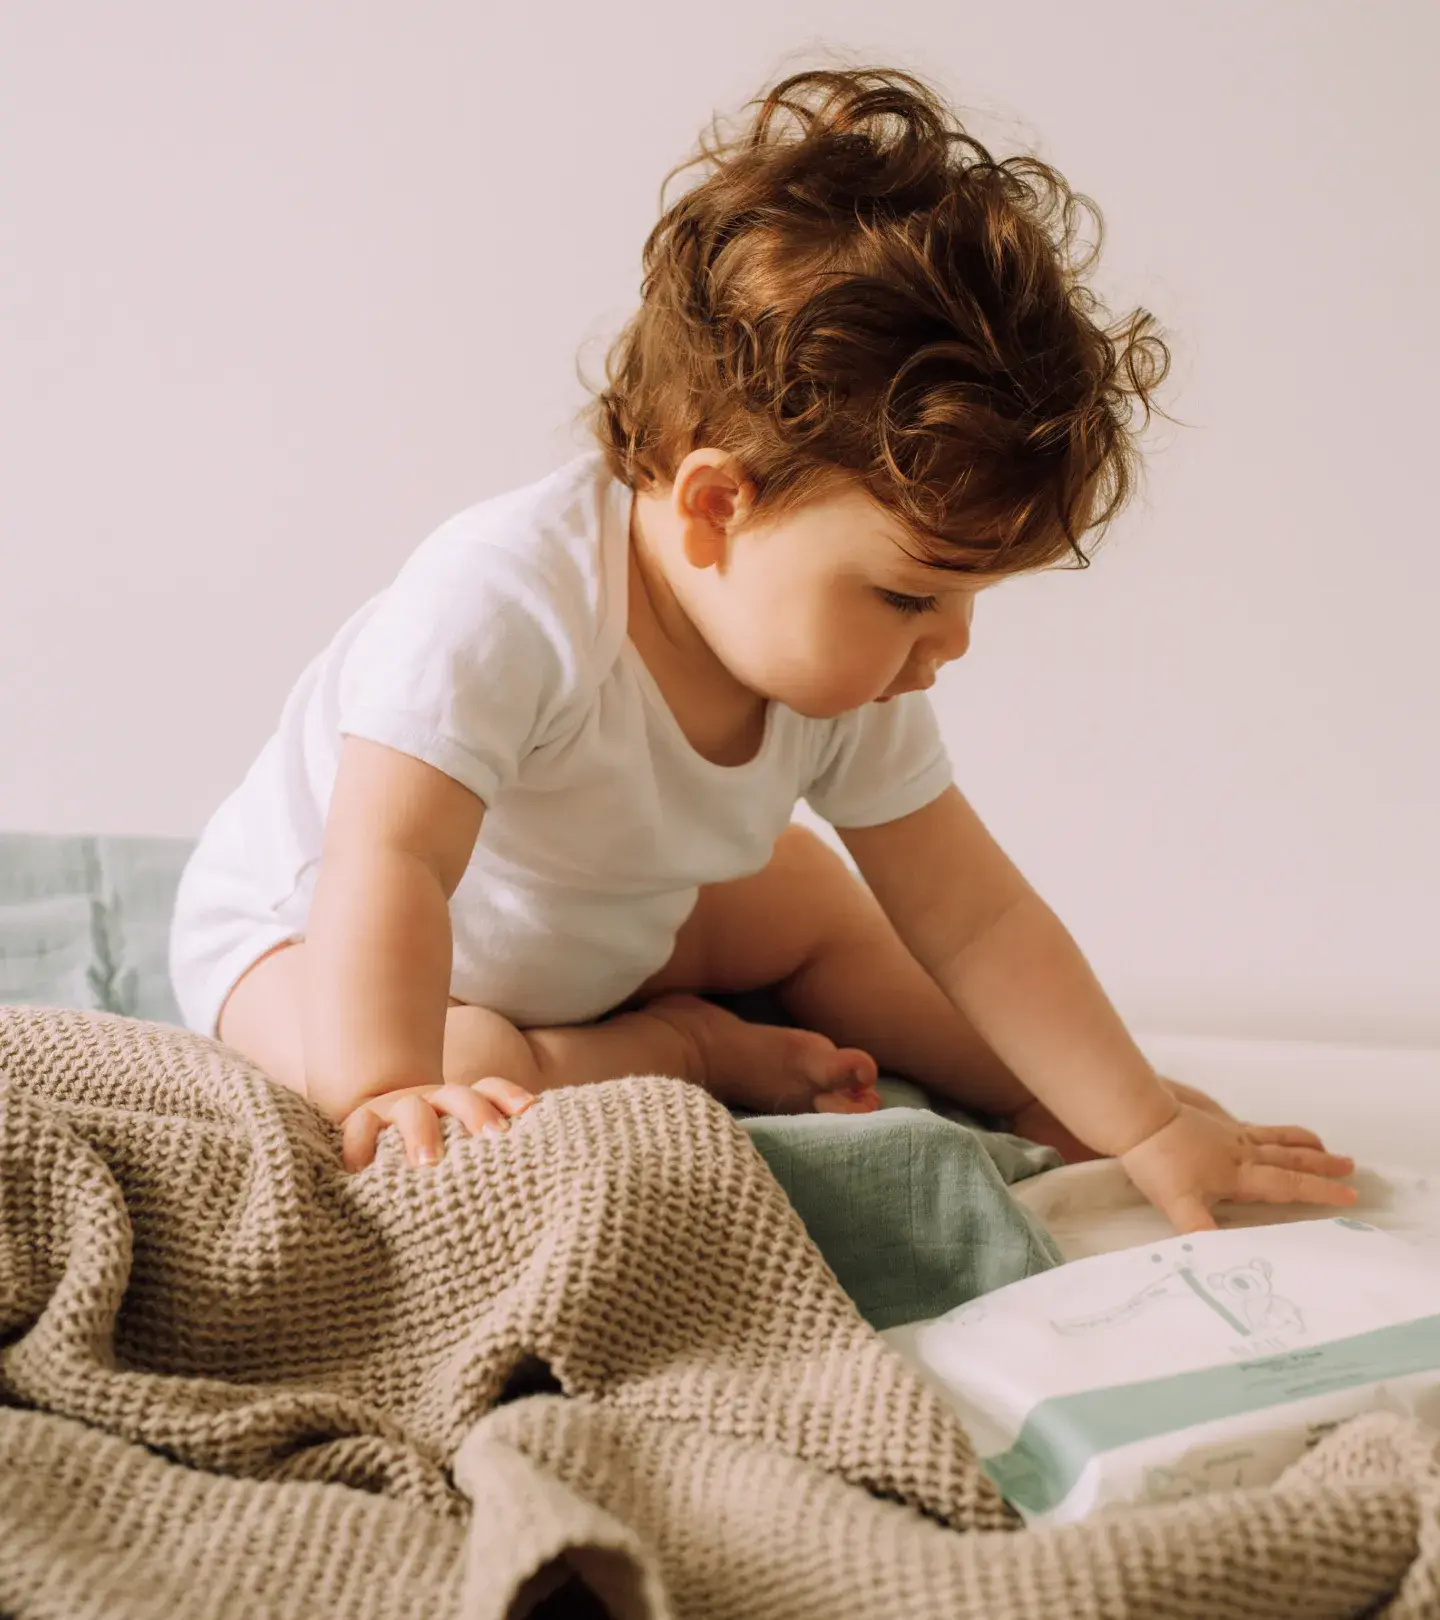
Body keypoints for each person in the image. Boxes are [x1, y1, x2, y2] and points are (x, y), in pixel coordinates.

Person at [169, 66, 1355, 1234]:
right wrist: (382, 1086)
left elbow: (977, 918)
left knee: (812, 893)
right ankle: (671, 1047)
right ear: (715, 508)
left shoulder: (842, 667)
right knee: (472, 1068)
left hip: (598, 918)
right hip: (321, 937)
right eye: (907, 596)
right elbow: (390, 860)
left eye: (969, 599)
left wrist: (1135, 1115)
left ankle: (1036, 1097)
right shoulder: (501, 602)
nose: (948, 644)